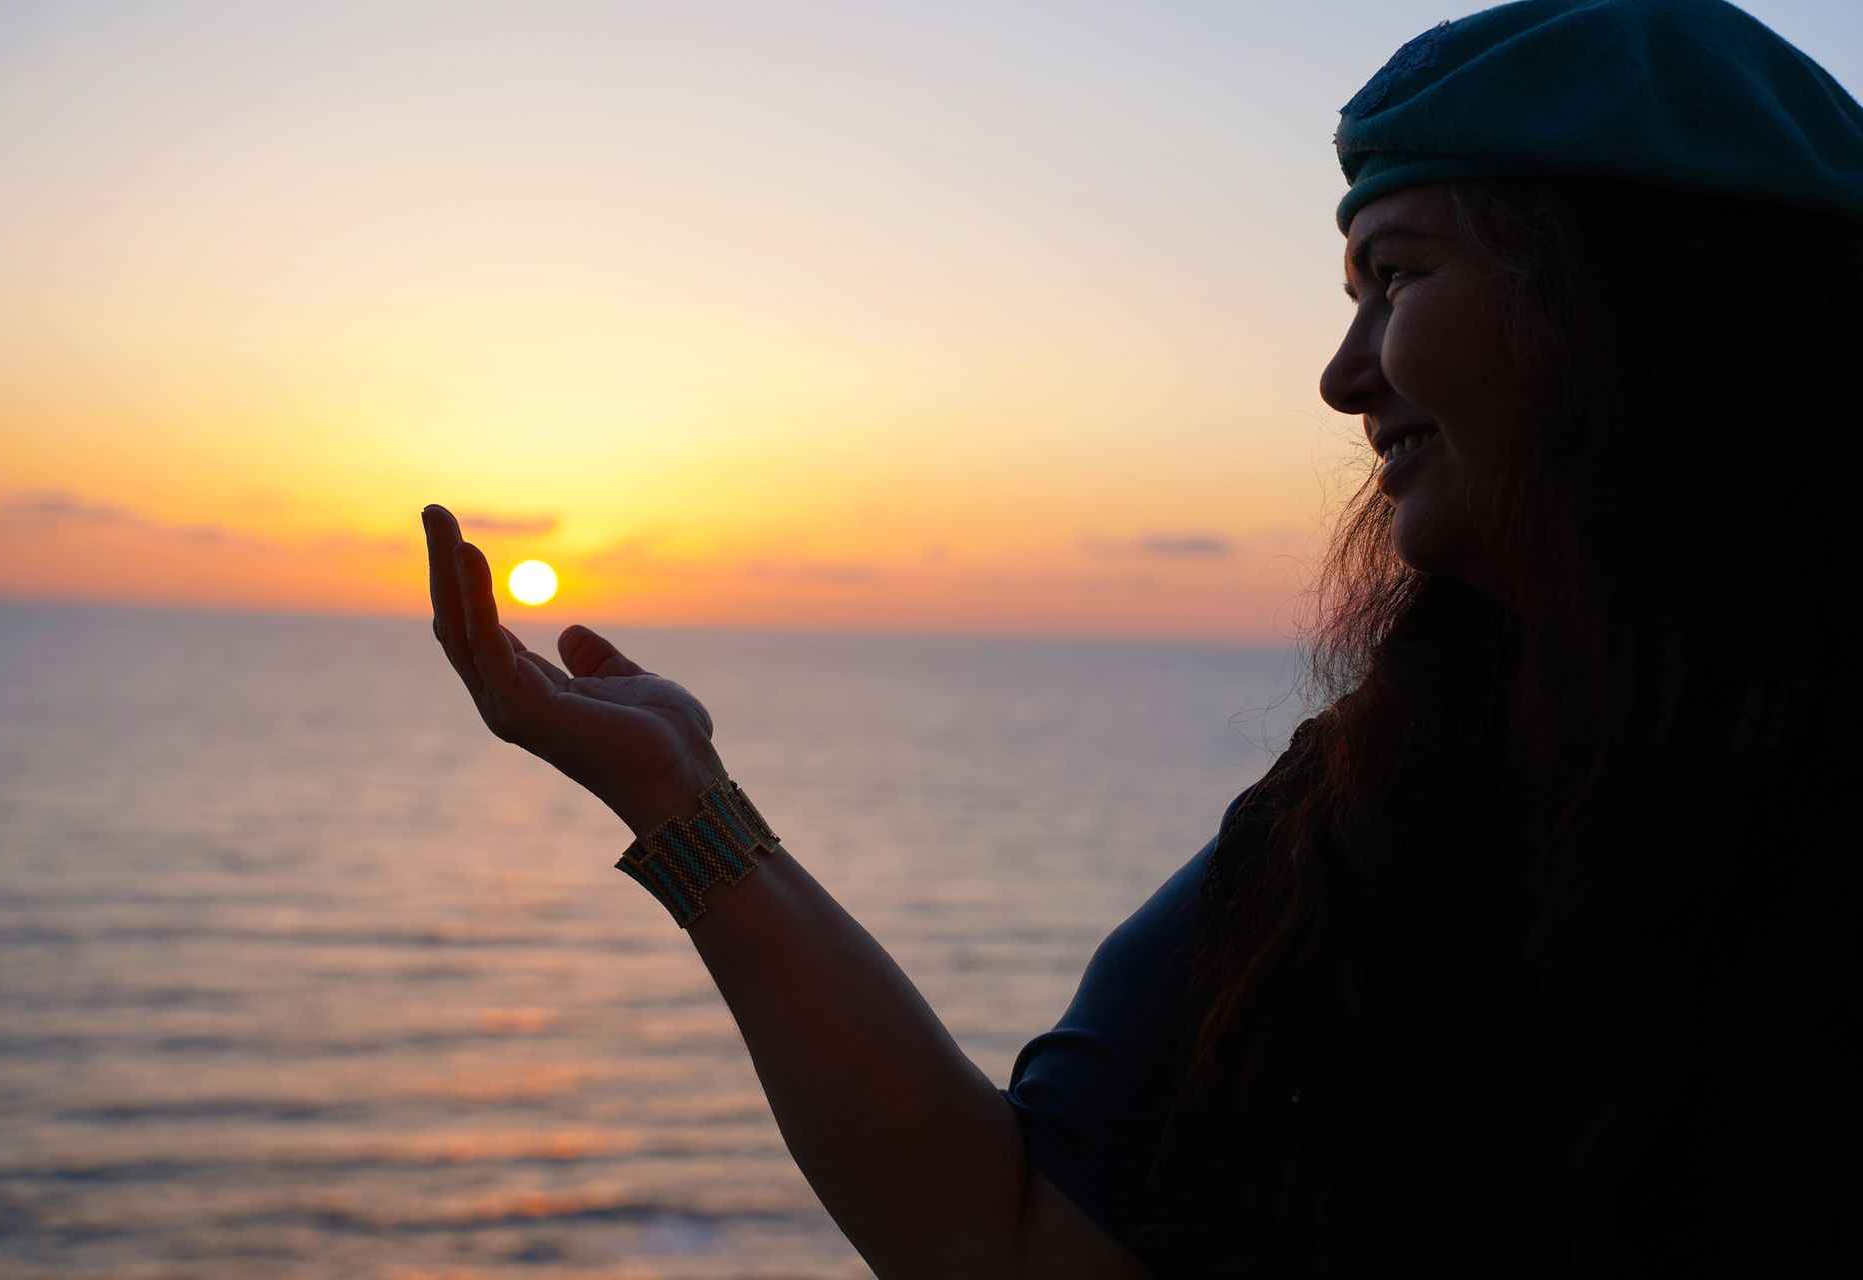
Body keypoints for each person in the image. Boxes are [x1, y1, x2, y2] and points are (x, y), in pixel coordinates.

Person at [423, 0, 1862, 1273]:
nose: (1342, 377)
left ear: (1633, 308)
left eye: (1399, 278)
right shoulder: (1379, 806)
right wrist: (682, 800)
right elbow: (1015, 1240)